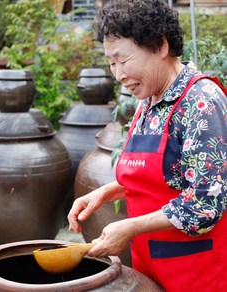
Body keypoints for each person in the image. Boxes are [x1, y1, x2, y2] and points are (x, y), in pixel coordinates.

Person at [67, 0, 227, 291]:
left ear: (160, 46)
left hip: (195, 270)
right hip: (151, 263)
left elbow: (205, 203)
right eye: (111, 63)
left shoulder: (200, 102)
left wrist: (130, 227)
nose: (118, 74)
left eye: (123, 60)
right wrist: (104, 193)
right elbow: (162, 175)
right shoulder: (150, 99)